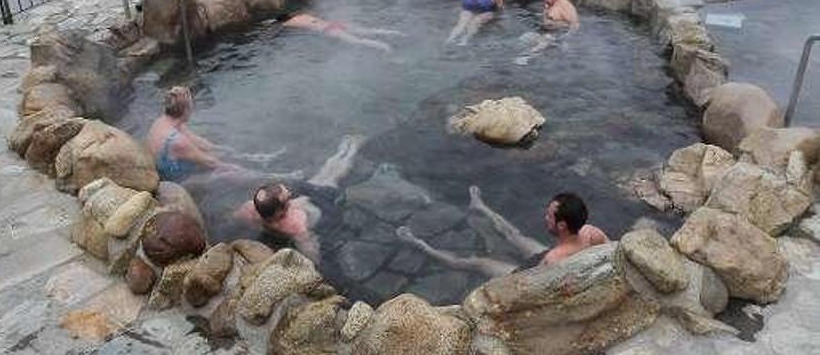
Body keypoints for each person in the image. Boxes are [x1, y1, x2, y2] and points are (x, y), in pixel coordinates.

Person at [396, 187, 608, 278]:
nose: (545, 218)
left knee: (477, 262)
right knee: (515, 236)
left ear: (561, 225)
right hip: (553, 256)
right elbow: (617, 250)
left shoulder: (553, 260)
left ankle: (420, 244)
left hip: (530, 275)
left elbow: (533, 290)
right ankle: (480, 206)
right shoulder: (591, 233)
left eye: (549, 216)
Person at [234, 135, 365, 262]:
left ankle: (346, 149)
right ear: (281, 211)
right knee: (331, 176)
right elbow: (312, 254)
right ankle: (350, 150)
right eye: (288, 197)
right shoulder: (294, 224)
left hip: (307, 197)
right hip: (319, 201)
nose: (290, 196)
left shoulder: (249, 209)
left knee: (324, 174)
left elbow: (232, 219)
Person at [147, 86, 291, 184]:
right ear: (185, 110)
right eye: (192, 105)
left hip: (178, 161)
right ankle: (276, 178)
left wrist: (223, 149)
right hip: (180, 181)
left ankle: (258, 159)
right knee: (229, 173)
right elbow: (210, 162)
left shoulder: (165, 121)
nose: (193, 109)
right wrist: (232, 166)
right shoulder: (177, 142)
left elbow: (199, 141)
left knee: (219, 151)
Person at [282, 13, 402, 52]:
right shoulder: (303, 15)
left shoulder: (290, 22)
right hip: (335, 23)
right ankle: (394, 33)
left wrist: (273, 22)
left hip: (329, 30)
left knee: (357, 41)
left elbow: (284, 24)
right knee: (367, 31)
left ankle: (385, 47)